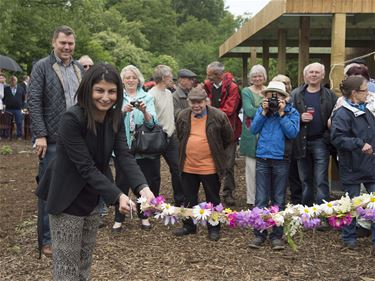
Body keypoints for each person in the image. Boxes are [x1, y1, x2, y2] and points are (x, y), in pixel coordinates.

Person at [35, 63, 155, 280]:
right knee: (66, 266)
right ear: (88, 89)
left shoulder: (115, 117)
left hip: (92, 195)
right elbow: (85, 166)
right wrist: (118, 194)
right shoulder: (72, 119)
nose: (106, 97)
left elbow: (124, 155)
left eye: (111, 91)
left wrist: (142, 187)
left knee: (84, 259)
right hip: (66, 197)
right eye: (100, 90)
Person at [28, 25, 84, 257]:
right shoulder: (42, 67)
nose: (67, 47)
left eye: (70, 43)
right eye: (63, 43)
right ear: (54, 43)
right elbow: (34, 101)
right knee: (49, 189)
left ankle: (68, 235)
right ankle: (47, 240)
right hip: (51, 139)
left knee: (75, 187)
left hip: (77, 138)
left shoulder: (80, 68)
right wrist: (40, 134)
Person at [174, 88, 233, 241]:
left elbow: (228, 138)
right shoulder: (182, 116)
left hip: (210, 166)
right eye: (193, 102)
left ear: (206, 101)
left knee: (212, 198)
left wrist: (221, 158)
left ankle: (213, 227)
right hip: (188, 165)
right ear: (188, 102)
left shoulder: (218, 116)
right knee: (188, 197)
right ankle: (189, 225)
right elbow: (179, 136)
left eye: (199, 102)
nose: (196, 105)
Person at [248, 81, 300, 250]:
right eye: (270, 95)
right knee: (261, 199)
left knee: (279, 199)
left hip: (281, 159)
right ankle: (259, 234)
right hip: (263, 157)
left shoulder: (292, 112)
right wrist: (263, 112)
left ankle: (276, 236)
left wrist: (282, 113)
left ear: (284, 98)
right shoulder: (262, 111)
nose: (273, 98)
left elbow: (292, 133)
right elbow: (253, 130)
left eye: (277, 95)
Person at [330, 76, 375, 253]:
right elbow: (338, 138)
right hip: (352, 165)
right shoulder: (342, 113)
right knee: (351, 204)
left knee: (373, 203)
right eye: (365, 90)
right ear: (354, 93)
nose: (368, 94)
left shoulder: (367, 111)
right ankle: (349, 238)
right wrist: (358, 143)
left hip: (370, 165)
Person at [112, 65, 159, 232]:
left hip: (142, 147)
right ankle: (119, 218)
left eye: (133, 77)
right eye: (127, 77)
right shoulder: (116, 97)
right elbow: (110, 120)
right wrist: (122, 111)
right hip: (121, 147)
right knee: (121, 183)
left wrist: (145, 111)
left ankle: (144, 216)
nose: (131, 80)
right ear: (122, 80)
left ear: (139, 79)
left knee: (143, 182)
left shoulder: (146, 97)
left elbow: (153, 124)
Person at [291, 62, 337, 207]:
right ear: (305, 75)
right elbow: (286, 116)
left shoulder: (330, 95)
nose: (314, 75)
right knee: (305, 179)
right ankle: (307, 214)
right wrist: (299, 117)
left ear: (323, 75)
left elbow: (337, 116)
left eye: (317, 72)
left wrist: (331, 124)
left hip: (321, 141)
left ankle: (322, 213)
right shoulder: (295, 94)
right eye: (311, 72)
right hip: (301, 142)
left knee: (321, 179)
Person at [204, 61, 241, 206]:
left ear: (219, 75)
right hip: (211, 130)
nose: (208, 78)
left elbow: (230, 109)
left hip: (229, 131)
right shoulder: (207, 86)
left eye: (210, 75)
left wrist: (210, 112)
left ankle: (228, 192)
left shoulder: (232, 87)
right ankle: (213, 192)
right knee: (211, 162)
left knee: (229, 164)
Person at [148, 65, 184, 207]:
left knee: (177, 169)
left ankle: (180, 199)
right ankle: (153, 203)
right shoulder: (151, 95)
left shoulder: (169, 93)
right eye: (170, 76)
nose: (172, 79)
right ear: (163, 78)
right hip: (156, 137)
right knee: (154, 174)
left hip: (171, 138)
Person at [239, 64, 267, 208]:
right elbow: (249, 111)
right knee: (251, 169)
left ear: (264, 77)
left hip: (266, 134)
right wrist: (264, 108)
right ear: (251, 78)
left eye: (260, 76)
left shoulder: (268, 91)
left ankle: (264, 197)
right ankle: (252, 199)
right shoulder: (246, 91)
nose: (257, 78)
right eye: (254, 76)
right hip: (251, 134)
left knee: (266, 168)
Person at [272, 74, 303, 205]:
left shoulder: (296, 97)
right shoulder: (269, 102)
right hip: (276, 147)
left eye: (286, 82)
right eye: (280, 83)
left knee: (295, 176)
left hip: (294, 143)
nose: (284, 85)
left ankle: (296, 203)